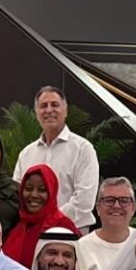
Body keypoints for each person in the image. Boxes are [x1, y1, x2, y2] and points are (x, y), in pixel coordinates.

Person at [13, 84, 99, 228]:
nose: (49, 110)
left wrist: (51, 221)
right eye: (43, 106)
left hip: (72, 231)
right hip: (32, 230)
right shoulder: (26, 154)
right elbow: (18, 195)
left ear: (65, 110)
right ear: (36, 113)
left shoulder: (83, 149)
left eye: (54, 105)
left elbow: (84, 200)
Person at [1, 163, 78, 269]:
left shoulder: (62, 225)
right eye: (28, 189)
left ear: (52, 192)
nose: (34, 195)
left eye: (42, 190)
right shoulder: (17, 222)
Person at [76, 177, 136, 270]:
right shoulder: (81, 248)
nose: (116, 206)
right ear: (98, 208)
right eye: (109, 200)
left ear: (133, 208)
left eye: (124, 201)